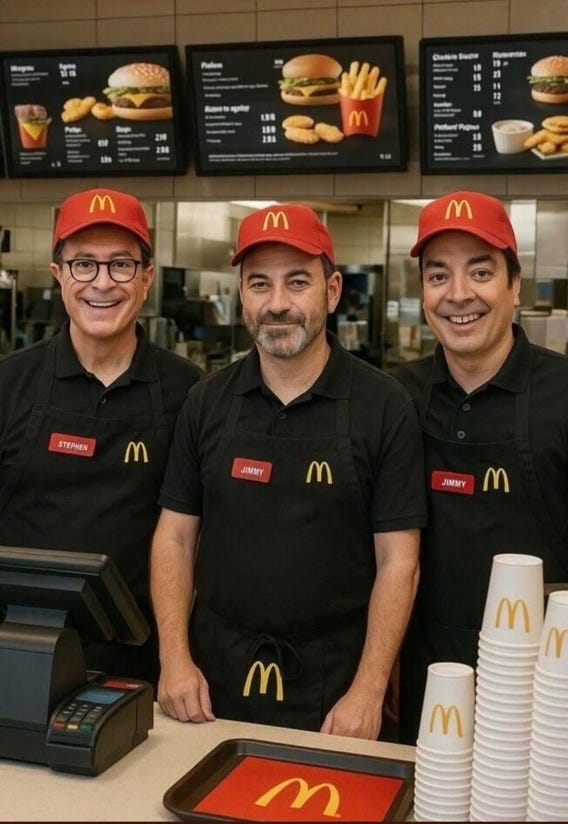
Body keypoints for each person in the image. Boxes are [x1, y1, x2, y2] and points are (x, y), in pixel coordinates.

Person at [150, 202, 426, 739]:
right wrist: (175, 659)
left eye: (297, 282)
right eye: (260, 284)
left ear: (332, 291)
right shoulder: (206, 401)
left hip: (336, 686)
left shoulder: (384, 406)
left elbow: (399, 562)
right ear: (242, 295)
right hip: (211, 681)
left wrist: (368, 690)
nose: (277, 303)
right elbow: (175, 538)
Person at [0, 187, 202, 685]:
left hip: (142, 662)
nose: (102, 283)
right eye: (84, 264)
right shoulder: (9, 384)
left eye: (121, 265)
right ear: (59, 275)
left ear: (147, 277)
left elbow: (196, 537)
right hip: (15, 649)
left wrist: (178, 659)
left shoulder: (190, 392)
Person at [391, 190, 568, 743]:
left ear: (515, 285)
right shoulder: (395, 398)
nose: (458, 294)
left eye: (481, 272)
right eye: (438, 276)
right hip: (421, 676)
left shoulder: (563, 393)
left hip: (545, 681)